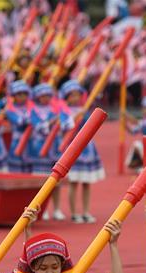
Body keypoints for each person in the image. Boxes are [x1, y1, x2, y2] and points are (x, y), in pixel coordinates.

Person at [59, 80, 104, 223]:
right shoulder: (63, 112)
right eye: (72, 95)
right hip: (72, 147)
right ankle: (74, 212)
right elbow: (64, 127)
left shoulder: (84, 110)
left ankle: (85, 211)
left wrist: (85, 116)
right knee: (74, 181)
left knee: (86, 182)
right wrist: (74, 118)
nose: (75, 98)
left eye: (77, 95)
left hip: (87, 148)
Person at [5, 81, 34, 173]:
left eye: (24, 94)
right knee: (16, 167)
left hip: (29, 141)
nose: (22, 97)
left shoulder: (31, 108)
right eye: (19, 94)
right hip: (17, 140)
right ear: (13, 96)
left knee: (30, 167)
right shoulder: (10, 110)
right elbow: (19, 121)